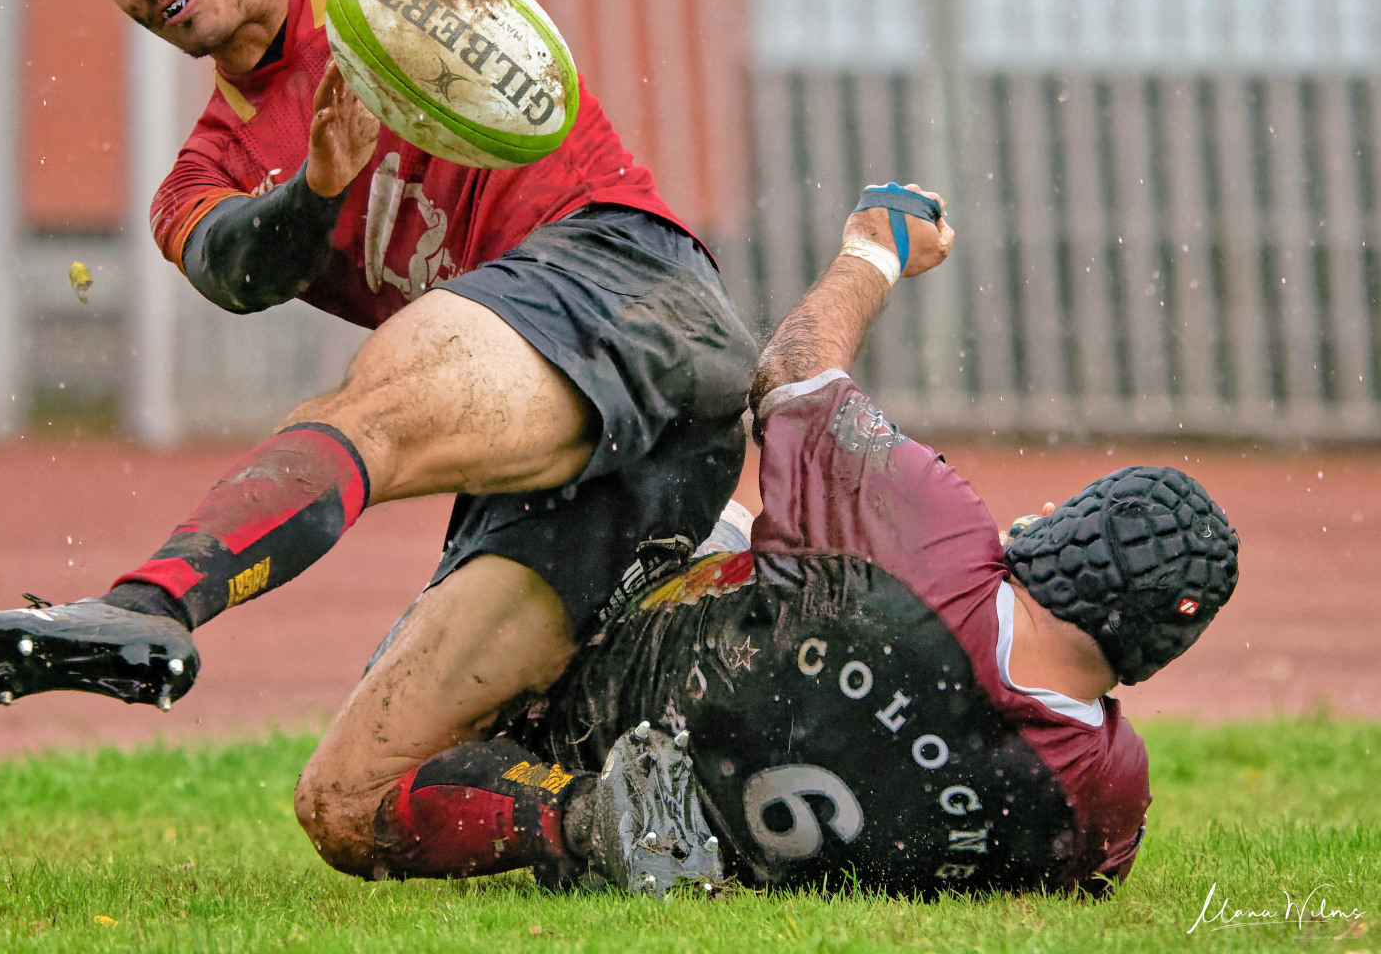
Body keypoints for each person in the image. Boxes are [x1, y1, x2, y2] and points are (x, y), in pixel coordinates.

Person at [0, 0, 756, 891]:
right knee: (348, 802)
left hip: (632, 290)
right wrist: (316, 187)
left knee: (378, 402)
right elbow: (239, 270)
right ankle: (630, 823)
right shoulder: (200, 174)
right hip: (564, 452)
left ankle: (147, 607)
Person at [507, 182, 1240, 895]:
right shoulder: (1110, 793)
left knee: (683, 413)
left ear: (1077, 544)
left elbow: (788, 374)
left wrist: (874, 247)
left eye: (1068, 511)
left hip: (583, 713)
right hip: (727, 841)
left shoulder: (936, 538)